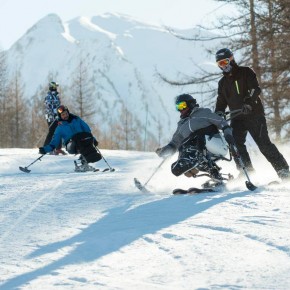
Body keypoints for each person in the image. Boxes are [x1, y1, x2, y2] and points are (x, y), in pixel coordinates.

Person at [214, 48, 289, 180]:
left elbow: (255, 89)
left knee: (264, 145)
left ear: (231, 59)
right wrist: (218, 113)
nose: (224, 66)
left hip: (254, 114)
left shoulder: (245, 72)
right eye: (220, 64)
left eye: (225, 62)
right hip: (237, 118)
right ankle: (247, 172)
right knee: (235, 144)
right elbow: (221, 101)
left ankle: (283, 171)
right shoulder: (222, 83)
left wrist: (248, 103)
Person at [155, 94, 235, 184]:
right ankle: (211, 173)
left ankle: (191, 160)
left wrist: (228, 134)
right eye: (178, 107)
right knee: (182, 146)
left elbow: (222, 122)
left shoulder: (204, 113)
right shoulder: (182, 125)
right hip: (199, 152)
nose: (180, 109)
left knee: (196, 137)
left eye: (182, 105)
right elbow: (174, 143)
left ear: (190, 104)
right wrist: (165, 151)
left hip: (217, 145)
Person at [39, 105, 102, 172]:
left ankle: (84, 164)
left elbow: (87, 131)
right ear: (60, 116)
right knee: (78, 139)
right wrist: (45, 149)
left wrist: (93, 140)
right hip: (71, 145)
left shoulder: (77, 120)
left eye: (66, 113)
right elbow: (55, 142)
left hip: (82, 141)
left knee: (85, 140)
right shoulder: (60, 128)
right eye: (63, 115)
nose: (65, 116)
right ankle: (83, 164)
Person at [43, 81, 66, 155]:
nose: (56, 88)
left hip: (57, 117)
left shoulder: (56, 96)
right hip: (51, 118)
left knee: (59, 131)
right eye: (55, 86)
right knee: (52, 132)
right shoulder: (49, 96)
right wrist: (55, 113)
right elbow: (48, 107)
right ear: (52, 87)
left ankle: (58, 149)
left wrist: (61, 112)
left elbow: (58, 106)